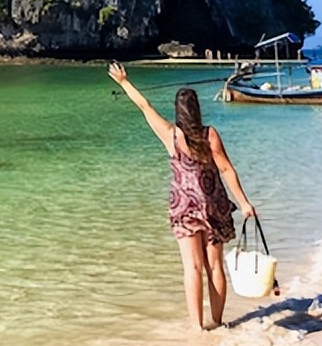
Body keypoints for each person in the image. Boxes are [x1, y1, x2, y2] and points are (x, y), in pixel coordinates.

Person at [108, 62, 255, 331]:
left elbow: (145, 106)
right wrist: (244, 202)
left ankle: (198, 328)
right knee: (215, 266)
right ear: (197, 110)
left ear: (177, 111)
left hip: (184, 209)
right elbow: (226, 169)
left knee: (193, 268)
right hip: (214, 206)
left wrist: (124, 82)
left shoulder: (170, 135)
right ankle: (217, 322)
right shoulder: (210, 135)